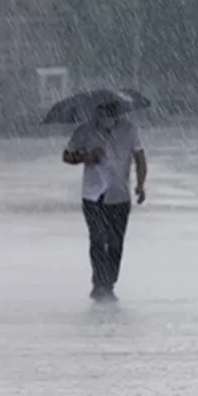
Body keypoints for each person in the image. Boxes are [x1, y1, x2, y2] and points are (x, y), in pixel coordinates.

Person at [62, 101, 147, 302]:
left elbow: (139, 157)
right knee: (98, 239)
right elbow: (67, 156)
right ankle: (99, 283)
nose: (104, 115)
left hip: (119, 194)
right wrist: (86, 156)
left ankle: (109, 283)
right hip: (93, 194)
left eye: (108, 111)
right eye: (100, 111)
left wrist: (141, 184)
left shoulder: (129, 130)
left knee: (116, 242)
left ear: (116, 111)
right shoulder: (85, 131)